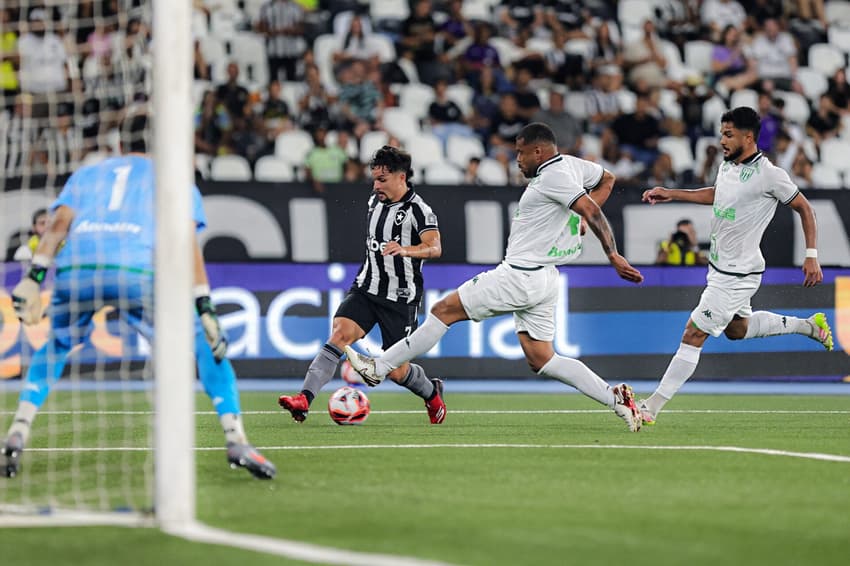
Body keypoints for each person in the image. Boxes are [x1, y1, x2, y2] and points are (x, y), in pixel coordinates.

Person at [345, 124, 647, 432]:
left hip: (519, 276)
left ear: (538, 151)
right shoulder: (572, 166)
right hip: (545, 279)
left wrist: (611, 253)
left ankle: (378, 367)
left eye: (520, 152)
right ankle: (615, 398)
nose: (516, 158)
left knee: (442, 311)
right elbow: (606, 179)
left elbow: (592, 211)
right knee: (541, 358)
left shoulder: (554, 177)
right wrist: (578, 219)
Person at [4, 146, 276, 480]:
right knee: (205, 342)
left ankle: (19, 427)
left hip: (77, 267)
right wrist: (204, 305)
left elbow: (59, 224)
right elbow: (186, 242)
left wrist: (34, 277)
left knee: (57, 346)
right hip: (136, 270)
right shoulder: (174, 177)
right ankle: (235, 437)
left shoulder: (89, 173)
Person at [639, 107, 833, 426]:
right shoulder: (727, 165)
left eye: (728, 134)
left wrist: (811, 254)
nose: (722, 140)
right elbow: (719, 196)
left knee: (694, 332)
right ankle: (809, 326)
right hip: (721, 268)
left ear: (749, 137)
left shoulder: (769, 174)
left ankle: (652, 406)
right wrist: (672, 194)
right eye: (721, 133)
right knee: (736, 330)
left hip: (736, 275)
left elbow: (805, 208)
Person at [278, 146, 446, 424]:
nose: (376, 185)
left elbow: (435, 247)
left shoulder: (419, 210)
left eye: (382, 179)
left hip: (400, 298)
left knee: (397, 371)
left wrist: (406, 250)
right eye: (375, 178)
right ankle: (303, 400)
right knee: (339, 335)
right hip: (367, 288)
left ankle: (432, 392)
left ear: (401, 177)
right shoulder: (375, 201)